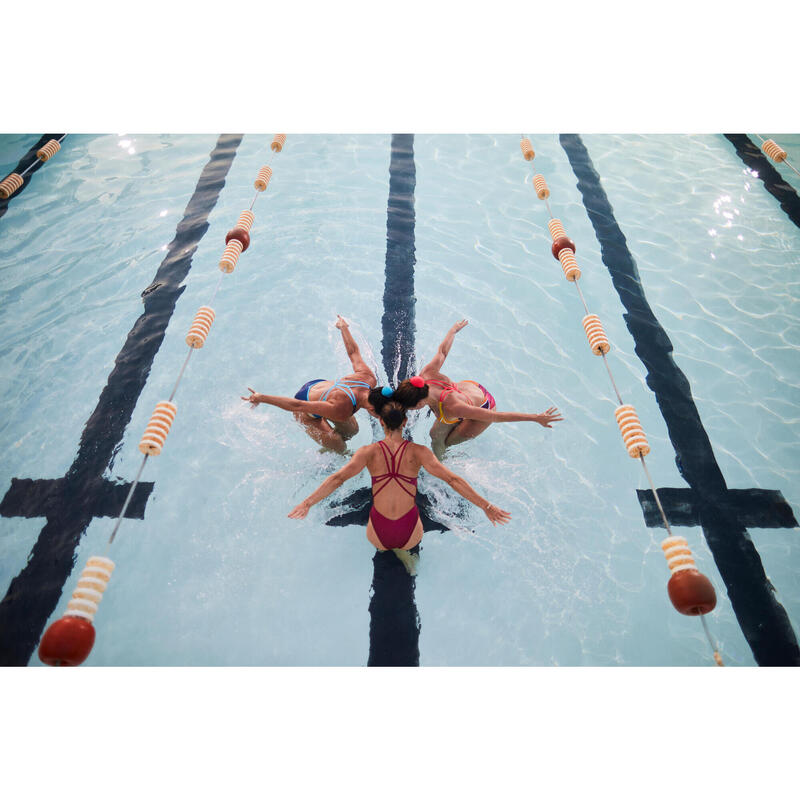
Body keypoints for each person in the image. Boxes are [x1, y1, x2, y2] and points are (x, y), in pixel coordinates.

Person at [288, 387, 511, 574]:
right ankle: (405, 552)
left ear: (381, 422)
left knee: (383, 546)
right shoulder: (420, 452)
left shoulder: (367, 452)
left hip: (377, 534)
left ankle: (389, 549)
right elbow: (453, 480)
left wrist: (306, 503)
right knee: (410, 538)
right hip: (410, 532)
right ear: (405, 422)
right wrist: (487, 506)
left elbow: (337, 479)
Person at [393, 319, 563, 458]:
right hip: (470, 389)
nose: (410, 410)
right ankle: (441, 458)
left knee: (447, 443)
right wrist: (452, 331)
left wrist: (535, 418)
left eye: (411, 407)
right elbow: (442, 352)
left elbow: (496, 417)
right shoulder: (426, 376)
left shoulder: (452, 406)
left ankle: (443, 468)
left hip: (484, 406)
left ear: (421, 402)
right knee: (435, 437)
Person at [242, 316, 377, 454]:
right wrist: (261, 397)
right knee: (340, 446)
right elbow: (297, 405)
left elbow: (353, 352)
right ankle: (330, 448)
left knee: (352, 431)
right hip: (305, 411)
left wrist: (343, 327)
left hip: (319, 387)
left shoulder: (368, 379)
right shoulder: (341, 410)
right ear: (372, 409)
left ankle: (328, 440)